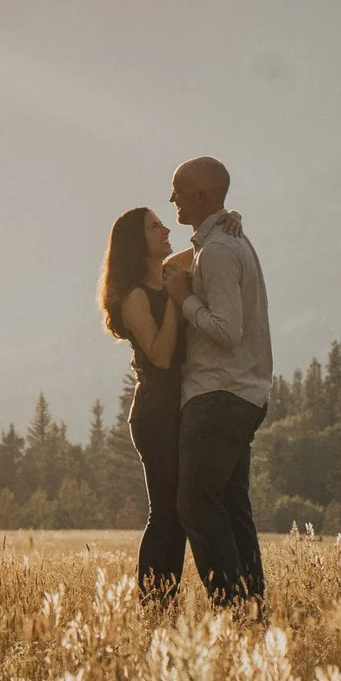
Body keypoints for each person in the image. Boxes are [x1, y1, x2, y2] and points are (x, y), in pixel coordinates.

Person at [167, 156, 272, 609]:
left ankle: (231, 608)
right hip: (241, 394)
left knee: (195, 506)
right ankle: (252, 607)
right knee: (231, 506)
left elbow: (228, 331)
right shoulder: (224, 242)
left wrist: (185, 301)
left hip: (218, 394)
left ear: (203, 195)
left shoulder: (221, 251)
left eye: (179, 188)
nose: (171, 197)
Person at [98, 205, 192, 599]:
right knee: (167, 513)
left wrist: (227, 219)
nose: (166, 228)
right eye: (155, 227)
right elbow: (161, 355)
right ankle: (153, 603)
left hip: (176, 411)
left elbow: (205, 244)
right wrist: (175, 300)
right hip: (154, 415)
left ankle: (163, 602)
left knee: (180, 513)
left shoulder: (169, 271)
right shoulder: (136, 296)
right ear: (139, 243)